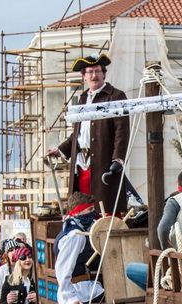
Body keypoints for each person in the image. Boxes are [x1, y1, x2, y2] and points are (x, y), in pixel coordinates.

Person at [47, 54, 131, 215]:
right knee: (84, 207)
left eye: (98, 71)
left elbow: (122, 130)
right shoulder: (83, 98)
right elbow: (78, 134)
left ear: (104, 73)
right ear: (84, 76)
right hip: (82, 163)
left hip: (103, 161)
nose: (94, 75)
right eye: (90, 72)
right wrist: (60, 150)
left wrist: (118, 158)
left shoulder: (116, 96)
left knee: (106, 209)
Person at [55, 192, 105, 304]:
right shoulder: (76, 235)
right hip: (79, 291)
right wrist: (71, 298)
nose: (93, 212)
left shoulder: (78, 226)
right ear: (77, 212)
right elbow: (63, 268)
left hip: (84, 287)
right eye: (90, 209)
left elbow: (96, 224)